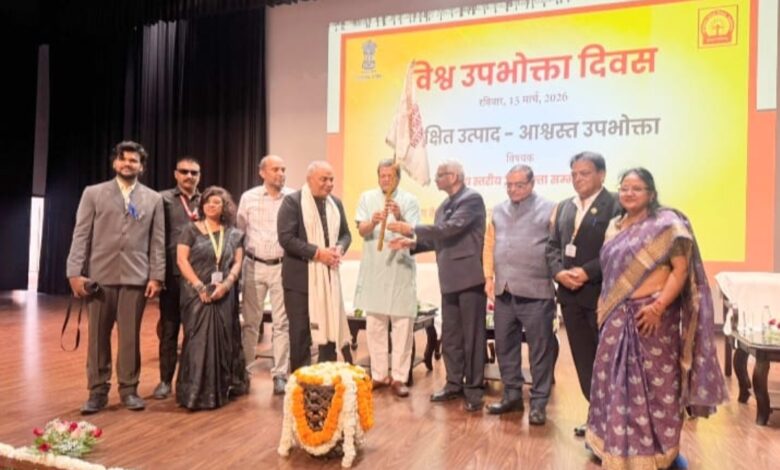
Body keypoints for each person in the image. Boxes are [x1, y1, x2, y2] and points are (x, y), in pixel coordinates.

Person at [585, 168, 728, 469]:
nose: (629, 193)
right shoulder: (614, 226)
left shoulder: (666, 224)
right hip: (616, 317)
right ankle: (614, 447)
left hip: (652, 319)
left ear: (651, 193)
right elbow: (611, 274)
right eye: (625, 188)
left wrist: (659, 306)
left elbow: (680, 270)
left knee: (655, 387)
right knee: (610, 382)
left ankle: (658, 451)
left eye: (637, 188)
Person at [66, 140, 165, 414]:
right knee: (98, 337)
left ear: (141, 167)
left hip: (136, 278)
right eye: (123, 159)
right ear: (114, 163)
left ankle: (129, 390)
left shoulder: (154, 199)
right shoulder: (93, 193)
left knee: (130, 337)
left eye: (133, 160)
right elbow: (81, 234)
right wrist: (74, 273)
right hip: (99, 278)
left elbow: (157, 241)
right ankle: (97, 392)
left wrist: (156, 276)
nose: (127, 164)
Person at [388, 160, 487, 412]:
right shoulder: (443, 206)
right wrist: (411, 243)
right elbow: (438, 238)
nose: (435, 179)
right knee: (451, 335)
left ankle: (474, 388)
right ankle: (453, 383)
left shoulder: (472, 199)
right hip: (449, 279)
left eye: (440, 175)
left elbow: (450, 229)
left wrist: (411, 227)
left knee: (472, 337)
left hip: (469, 278)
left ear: (454, 176)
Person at [545, 151, 620, 436]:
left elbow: (618, 249)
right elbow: (552, 246)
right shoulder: (565, 206)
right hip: (569, 295)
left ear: (602, 174)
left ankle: (614, 421)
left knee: (607, 361)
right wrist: (558, 272)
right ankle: (596, 416)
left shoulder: (616, 204)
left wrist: (588, 272)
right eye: (574, 174)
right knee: (583, 359)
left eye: (585, 173)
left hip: (601, 295)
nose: (578, 179)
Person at [483, 165, 556, 425]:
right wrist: (489, 277)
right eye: (509, 185)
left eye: (519, 185)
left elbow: (556, 247)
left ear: (532, 184)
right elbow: (489, 245)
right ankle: (512, 395)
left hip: (537, 292)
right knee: (505, 347)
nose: (513, 189)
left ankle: (538, 403)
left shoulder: (550, 209)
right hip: (504, 292)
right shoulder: (498, 210)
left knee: (540, 351)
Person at [175, 186, 248, 410]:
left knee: (223, 342)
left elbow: (237, 262)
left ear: (225, 207)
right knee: (197, 342)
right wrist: (199, 286)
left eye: (216, 202)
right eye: (207, 202)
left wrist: (226, 285)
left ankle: (219, 392)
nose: (211, 205)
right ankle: (194, 394)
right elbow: (181, 260)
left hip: (224, 294)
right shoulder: (190, 230)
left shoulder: (233, 234)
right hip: (196, 295)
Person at [277, 160, 352, 372]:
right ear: (309, 180)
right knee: (300, 333)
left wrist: (339, 248)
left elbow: (346, 234)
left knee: (329, 330)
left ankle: (325, 376)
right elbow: (286, 239)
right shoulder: (293, 202)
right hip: (300, 281)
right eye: (323, 179)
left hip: (329, 278)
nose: (329, 184)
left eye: (331, 179)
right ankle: (301, 380)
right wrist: (318, 253)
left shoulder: (335, 203)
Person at [354, 159, 420, 398]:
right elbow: (361, 231)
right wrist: (373, 221)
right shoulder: (366, 197)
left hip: (400, 269)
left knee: (402, 328)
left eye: (390, 176)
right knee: (375, 326)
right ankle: (380, 375)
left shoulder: (410, 200)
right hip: (375, 270)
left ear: (398, 178)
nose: (385, 180)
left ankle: (400, 377)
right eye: (382, 175)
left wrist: (398, 215)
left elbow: (414, 231)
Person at [237, 155, 293, 395]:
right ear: (262, 173)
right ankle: (245, 372)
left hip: (282, 266)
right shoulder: (248, 198)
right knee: (251, 323)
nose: (281, 173)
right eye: (275, 169)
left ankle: (280, 374)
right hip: (254, 265)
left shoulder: (292, 197)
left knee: (282, 323)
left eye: (283, 169)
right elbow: (240, 231)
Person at [153, 156, 202, 400]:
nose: (189, 176)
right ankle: (164, 381)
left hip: (199, 277)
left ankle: (191, 382)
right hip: (172, 277)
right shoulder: (161, 199)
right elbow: (155, 239)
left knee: (195, 332)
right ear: (175, 174)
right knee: (169, 331)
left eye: (194, 173)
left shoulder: (207, 201)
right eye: (184, 171)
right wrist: (156, 275)